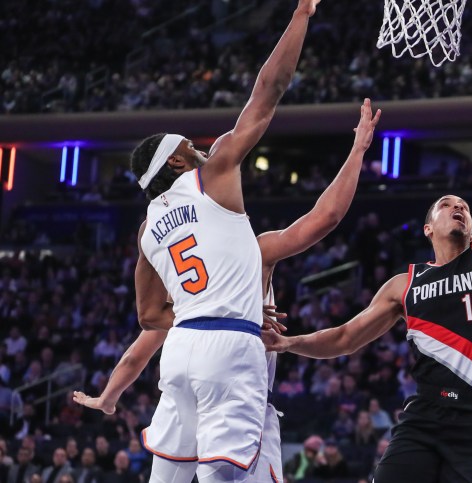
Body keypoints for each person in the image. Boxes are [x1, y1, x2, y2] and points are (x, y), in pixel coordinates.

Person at [264, 38, 472, 483]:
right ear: (427, 228)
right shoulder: (404, 285)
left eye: (465, 207)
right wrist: (289, 343)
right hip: (423, 414)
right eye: (446, 204)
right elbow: (345, 337)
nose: (459, 208)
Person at [73, 98, 380, 483]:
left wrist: (109, 396)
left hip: (188, 363)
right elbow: (325, 218)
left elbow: (146, 336)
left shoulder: (176, 270)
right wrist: (357, 151)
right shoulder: (259, 249)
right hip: (236, 381)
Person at [124, 0, 323, 480]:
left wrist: (201, 307)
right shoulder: (212, 174)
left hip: (180, 351)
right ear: (175, 162)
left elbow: (149, 316)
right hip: (230, 345)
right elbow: (268, 91)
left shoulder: (147, 226)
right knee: (225, 476)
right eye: (187, 146)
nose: (200, 146)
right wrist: (301, 15)